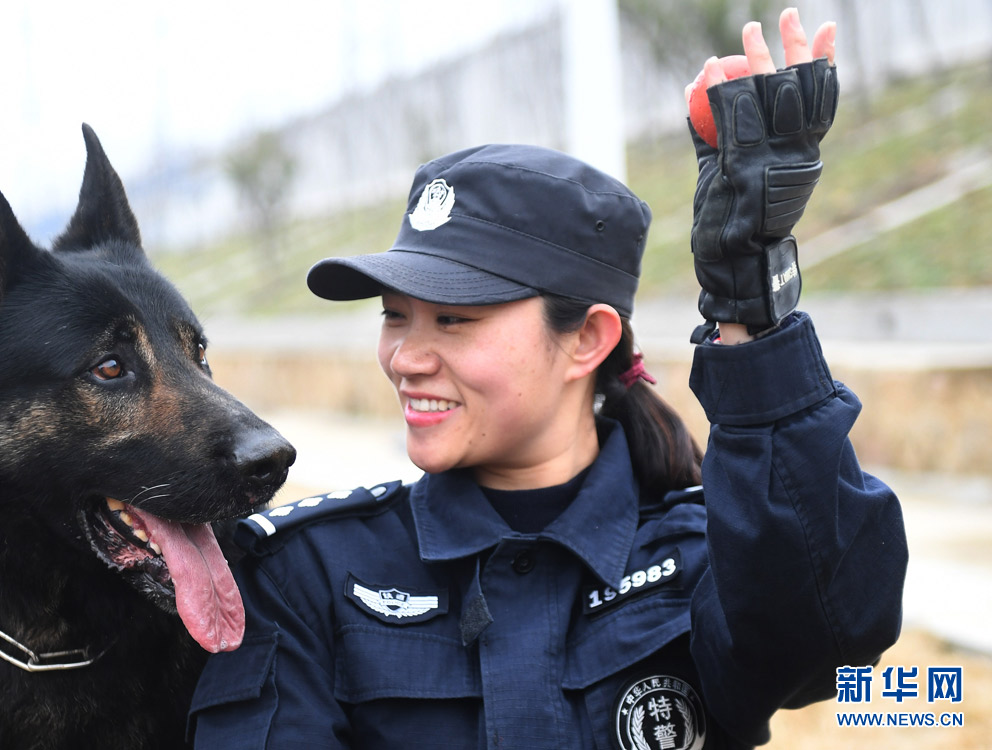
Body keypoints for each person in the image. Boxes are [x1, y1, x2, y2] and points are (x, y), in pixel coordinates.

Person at [188, 8, 907, 749]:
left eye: (454, 319)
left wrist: (750, 303)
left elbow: (831, 637)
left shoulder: (706, 553)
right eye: (395, 316)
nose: (405, 357)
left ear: (587, 339)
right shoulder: (307, 574)